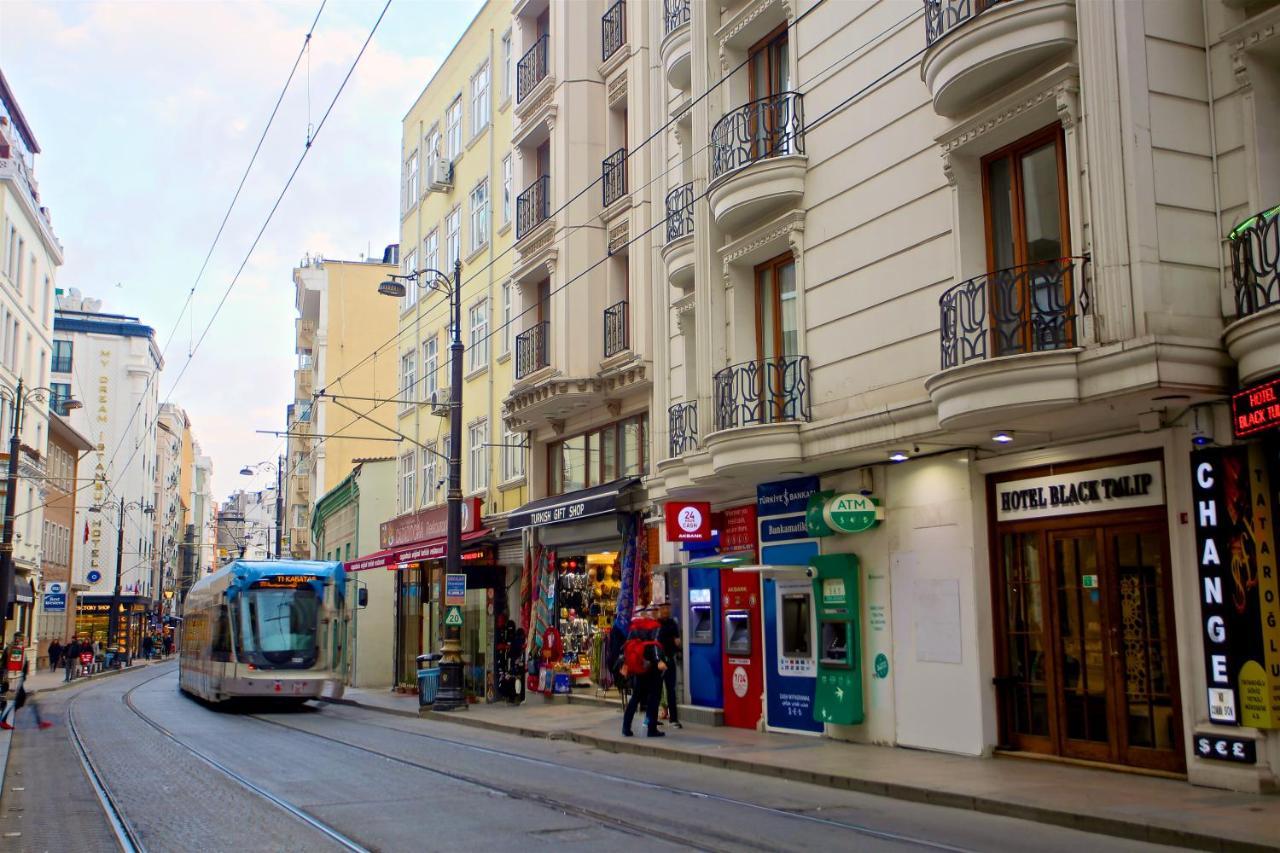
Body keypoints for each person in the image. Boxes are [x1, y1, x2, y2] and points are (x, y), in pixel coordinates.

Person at [620, 615, 666, 738]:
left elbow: (628, 647)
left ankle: (626, 727)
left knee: (635, 697)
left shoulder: (635, 626)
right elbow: (655, 645)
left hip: (639, 667)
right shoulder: (655, 626)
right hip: (652, 667)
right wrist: (659, 661)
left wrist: (626, 664)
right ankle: (652, 729)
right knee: (654, 698)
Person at [0, 657, 52, 731]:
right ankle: (3, 721)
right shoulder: (14, 652)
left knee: (27, 703)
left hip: (20, 683)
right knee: (18, 704)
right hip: (19, 683)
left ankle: (39, 722)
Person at [656, 603, 682, 729]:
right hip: (659, 661)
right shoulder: (656, 624)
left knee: (671, 690)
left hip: (670, 660)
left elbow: (677, 640)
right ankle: (651, 718)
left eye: (667, 607)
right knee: (656, 690)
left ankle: (674, 719)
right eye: (663, 608)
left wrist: (677, 643)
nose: (666, 610)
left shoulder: (673, 623)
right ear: (660, 610)